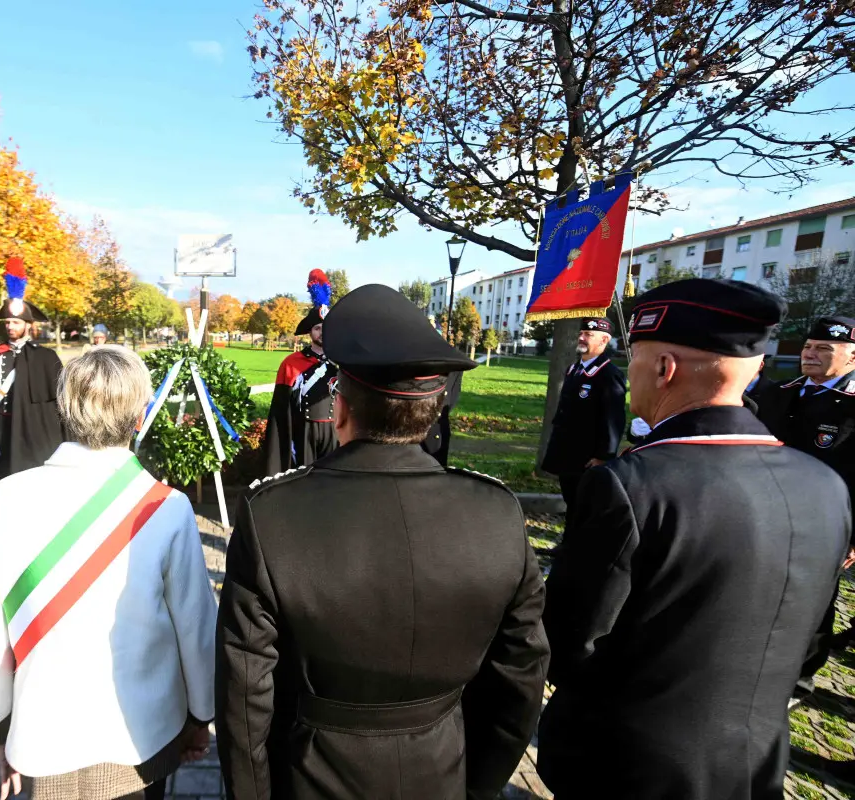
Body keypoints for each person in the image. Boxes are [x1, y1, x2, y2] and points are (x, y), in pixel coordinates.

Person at [216, 284, 550, 800]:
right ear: (432, 412)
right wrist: (474, 783)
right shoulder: (498, 513)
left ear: (342, 411)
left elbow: (244, 696)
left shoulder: (271, 517)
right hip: (444, 768)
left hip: (309, 775)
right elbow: (521, 679)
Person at [538, 279, 852, 800]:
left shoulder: (631, 485)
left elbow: (570, 641)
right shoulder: (824, 484)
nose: (629, 369)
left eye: (634, 355)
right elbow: (812, 635)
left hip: (629, 767)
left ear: (664, 368)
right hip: (754, 763)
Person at [0, 345, 216, 800]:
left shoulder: (4, 498)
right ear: (140, 416)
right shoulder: (166, 506)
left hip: (42, 731)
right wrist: (202, 715)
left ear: (64, 408)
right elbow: (196, 631)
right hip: (143, 733)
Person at [757, 315, 855, 691]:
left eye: (824, 350)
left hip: (826, 523)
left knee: (816, 598)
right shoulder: (780, 393)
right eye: (808, 348)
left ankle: (802, 673)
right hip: (769, 512)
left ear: (851, 358)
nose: (810, 355)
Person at [0, 257, 66, 487]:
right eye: (7, 323)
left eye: (15, 322)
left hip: (35, 429)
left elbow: (60, 401)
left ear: (28, 325)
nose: (10, 327)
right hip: (5, 427)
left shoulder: (46, 357)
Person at [539, 317, 627, 521]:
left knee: (584, 507)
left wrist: (604, 456)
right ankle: (567, 546)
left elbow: (613, 419)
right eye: (581, 333)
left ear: (604, 340)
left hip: (588, 457)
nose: (582, 338)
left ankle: (578, 550)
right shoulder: (574, 369)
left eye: (588, 335)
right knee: (572, 501)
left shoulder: (608, 375)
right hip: (567, 452)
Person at [261, 269, 340, 474]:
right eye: (317, 328)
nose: (322, 333)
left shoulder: (342, 361)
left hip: (335, 432)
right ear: (309, 332)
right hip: (304, 432)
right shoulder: (292, 363)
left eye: (326, 327)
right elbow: (280, 410)